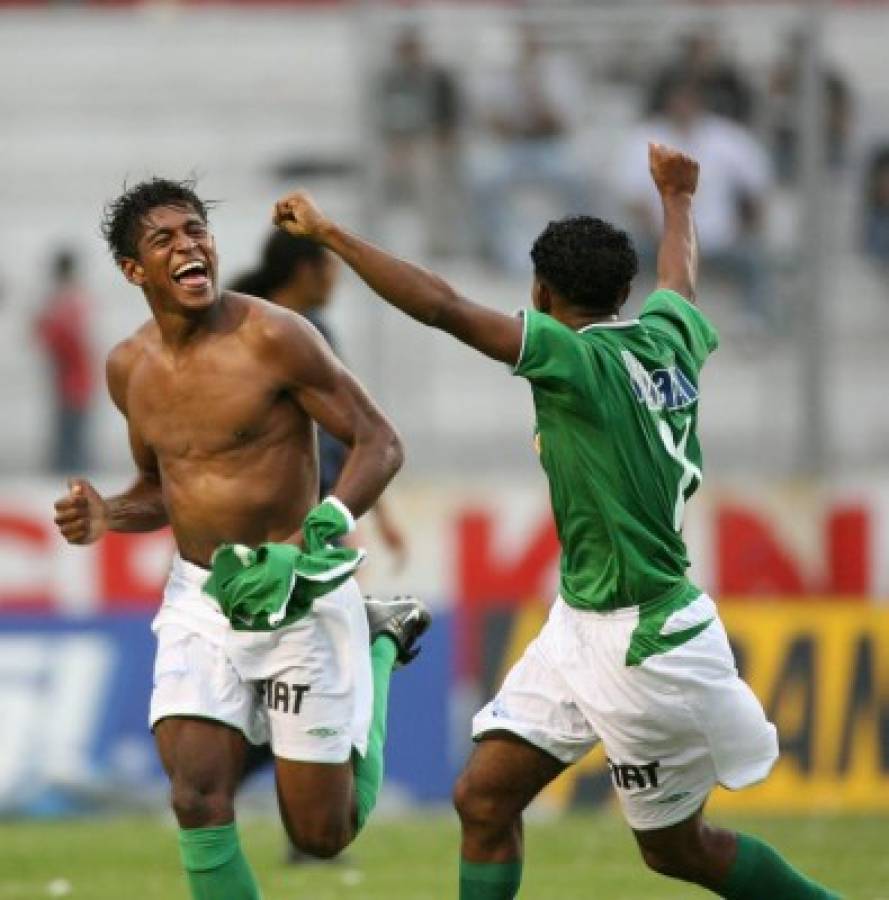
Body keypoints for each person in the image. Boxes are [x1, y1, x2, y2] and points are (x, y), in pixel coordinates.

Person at [272, 144, 839, 899]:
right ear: (622, 289)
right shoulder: (667, 337)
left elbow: (442, 308)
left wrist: (331, 234)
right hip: (583, 624)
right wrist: (676, 198)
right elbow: (680, 276)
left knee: (677, 851)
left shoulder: (573, 360)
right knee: (483, 798)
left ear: (539, 292)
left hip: (646, 645)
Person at [51, 178, 429, 900]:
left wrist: (330, 522)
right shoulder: (128, 367)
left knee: (320, 835)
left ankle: (380, 644)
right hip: (203, 599)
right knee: (195, 795)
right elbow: (159, 487)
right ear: (135, 272)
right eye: (164, 240)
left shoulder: (275, 336)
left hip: (297, 590)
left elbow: (378, 441)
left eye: (195, 231)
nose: (189, 246)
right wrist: (107, 515)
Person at [231, 230, 408, 568]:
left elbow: (355, 429)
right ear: (305, 271)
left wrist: (378, 516)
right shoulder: (254, 334)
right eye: (330, 266)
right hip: (273, 508)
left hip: (309, 504)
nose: (335, 279)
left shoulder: (315, 333)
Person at [618, 77, 772, 325]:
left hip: (720, 240)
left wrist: (748, 228)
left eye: (689, 101)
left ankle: (755, 322)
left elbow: (755, 187)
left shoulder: (727, 138)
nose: (684, 107)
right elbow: (634, 198)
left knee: (758, 261)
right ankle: (614, 322)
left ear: (700, 103)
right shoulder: (645, 139)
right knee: (616, 260)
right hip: (661, 241)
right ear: (668, 103)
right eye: (679, 101)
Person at [376, 28, 465, 258]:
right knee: (380, 173)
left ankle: (437, 244)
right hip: (399, 146)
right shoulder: (391, 80)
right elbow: (383, 121)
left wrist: (434, 142)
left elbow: (451, 124)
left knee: (426, 173)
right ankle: (379, 241)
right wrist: (396, 146)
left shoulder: (440, 79)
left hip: (433, 145)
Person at [34, 248, 96, 473]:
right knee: (70, 432)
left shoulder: (67, 303)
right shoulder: (70, 301)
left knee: (72, 433)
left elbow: (56, 336)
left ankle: (72, 473)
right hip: (69, 376)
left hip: (73, 376)